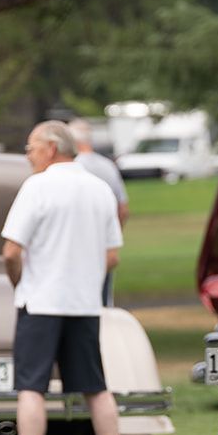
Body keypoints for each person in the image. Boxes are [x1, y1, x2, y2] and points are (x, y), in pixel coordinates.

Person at [0, 121, 126, 435]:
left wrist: (18, 282)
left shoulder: (37, 187)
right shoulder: (99, 188)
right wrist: (86, 282)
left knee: (31, 387)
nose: (28, 155)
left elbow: (10, 251)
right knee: (97, 388)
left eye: (31, 147)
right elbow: (112, 255)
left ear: (51, 148)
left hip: (41, 302)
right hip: (84, 304)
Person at [67, 119, 128, 306]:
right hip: (103, 244)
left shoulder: (71, 167)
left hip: (74, 245)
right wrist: (112, 235)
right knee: (103, 302)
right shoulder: (108, 166)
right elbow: (123, 209)